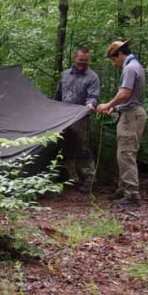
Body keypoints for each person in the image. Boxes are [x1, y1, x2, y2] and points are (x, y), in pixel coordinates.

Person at [96, 40, 146, 207]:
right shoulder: (134, 65)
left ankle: (132, 194)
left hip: (131, 117)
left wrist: (108, 105)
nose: (114, 63)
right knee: (123, 155)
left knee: (126, 155)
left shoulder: (130, 68)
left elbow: (125, 93)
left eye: (113, 59)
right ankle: (123, 189)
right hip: (128, 114)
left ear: (120, 54)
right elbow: (128, 98)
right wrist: (115, 108)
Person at [53, 47, 100, 193]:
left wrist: (91, 103)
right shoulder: (65, 75)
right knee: (65, 148)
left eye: (86, 61)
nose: (83, 63)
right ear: (75, 58)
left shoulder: (92, 77)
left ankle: (89, 181)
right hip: (64, 118)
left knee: (83, 149)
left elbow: (94, 96)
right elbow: (58, 95)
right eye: (80, 60)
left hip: (81, 118)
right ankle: (71, 179)